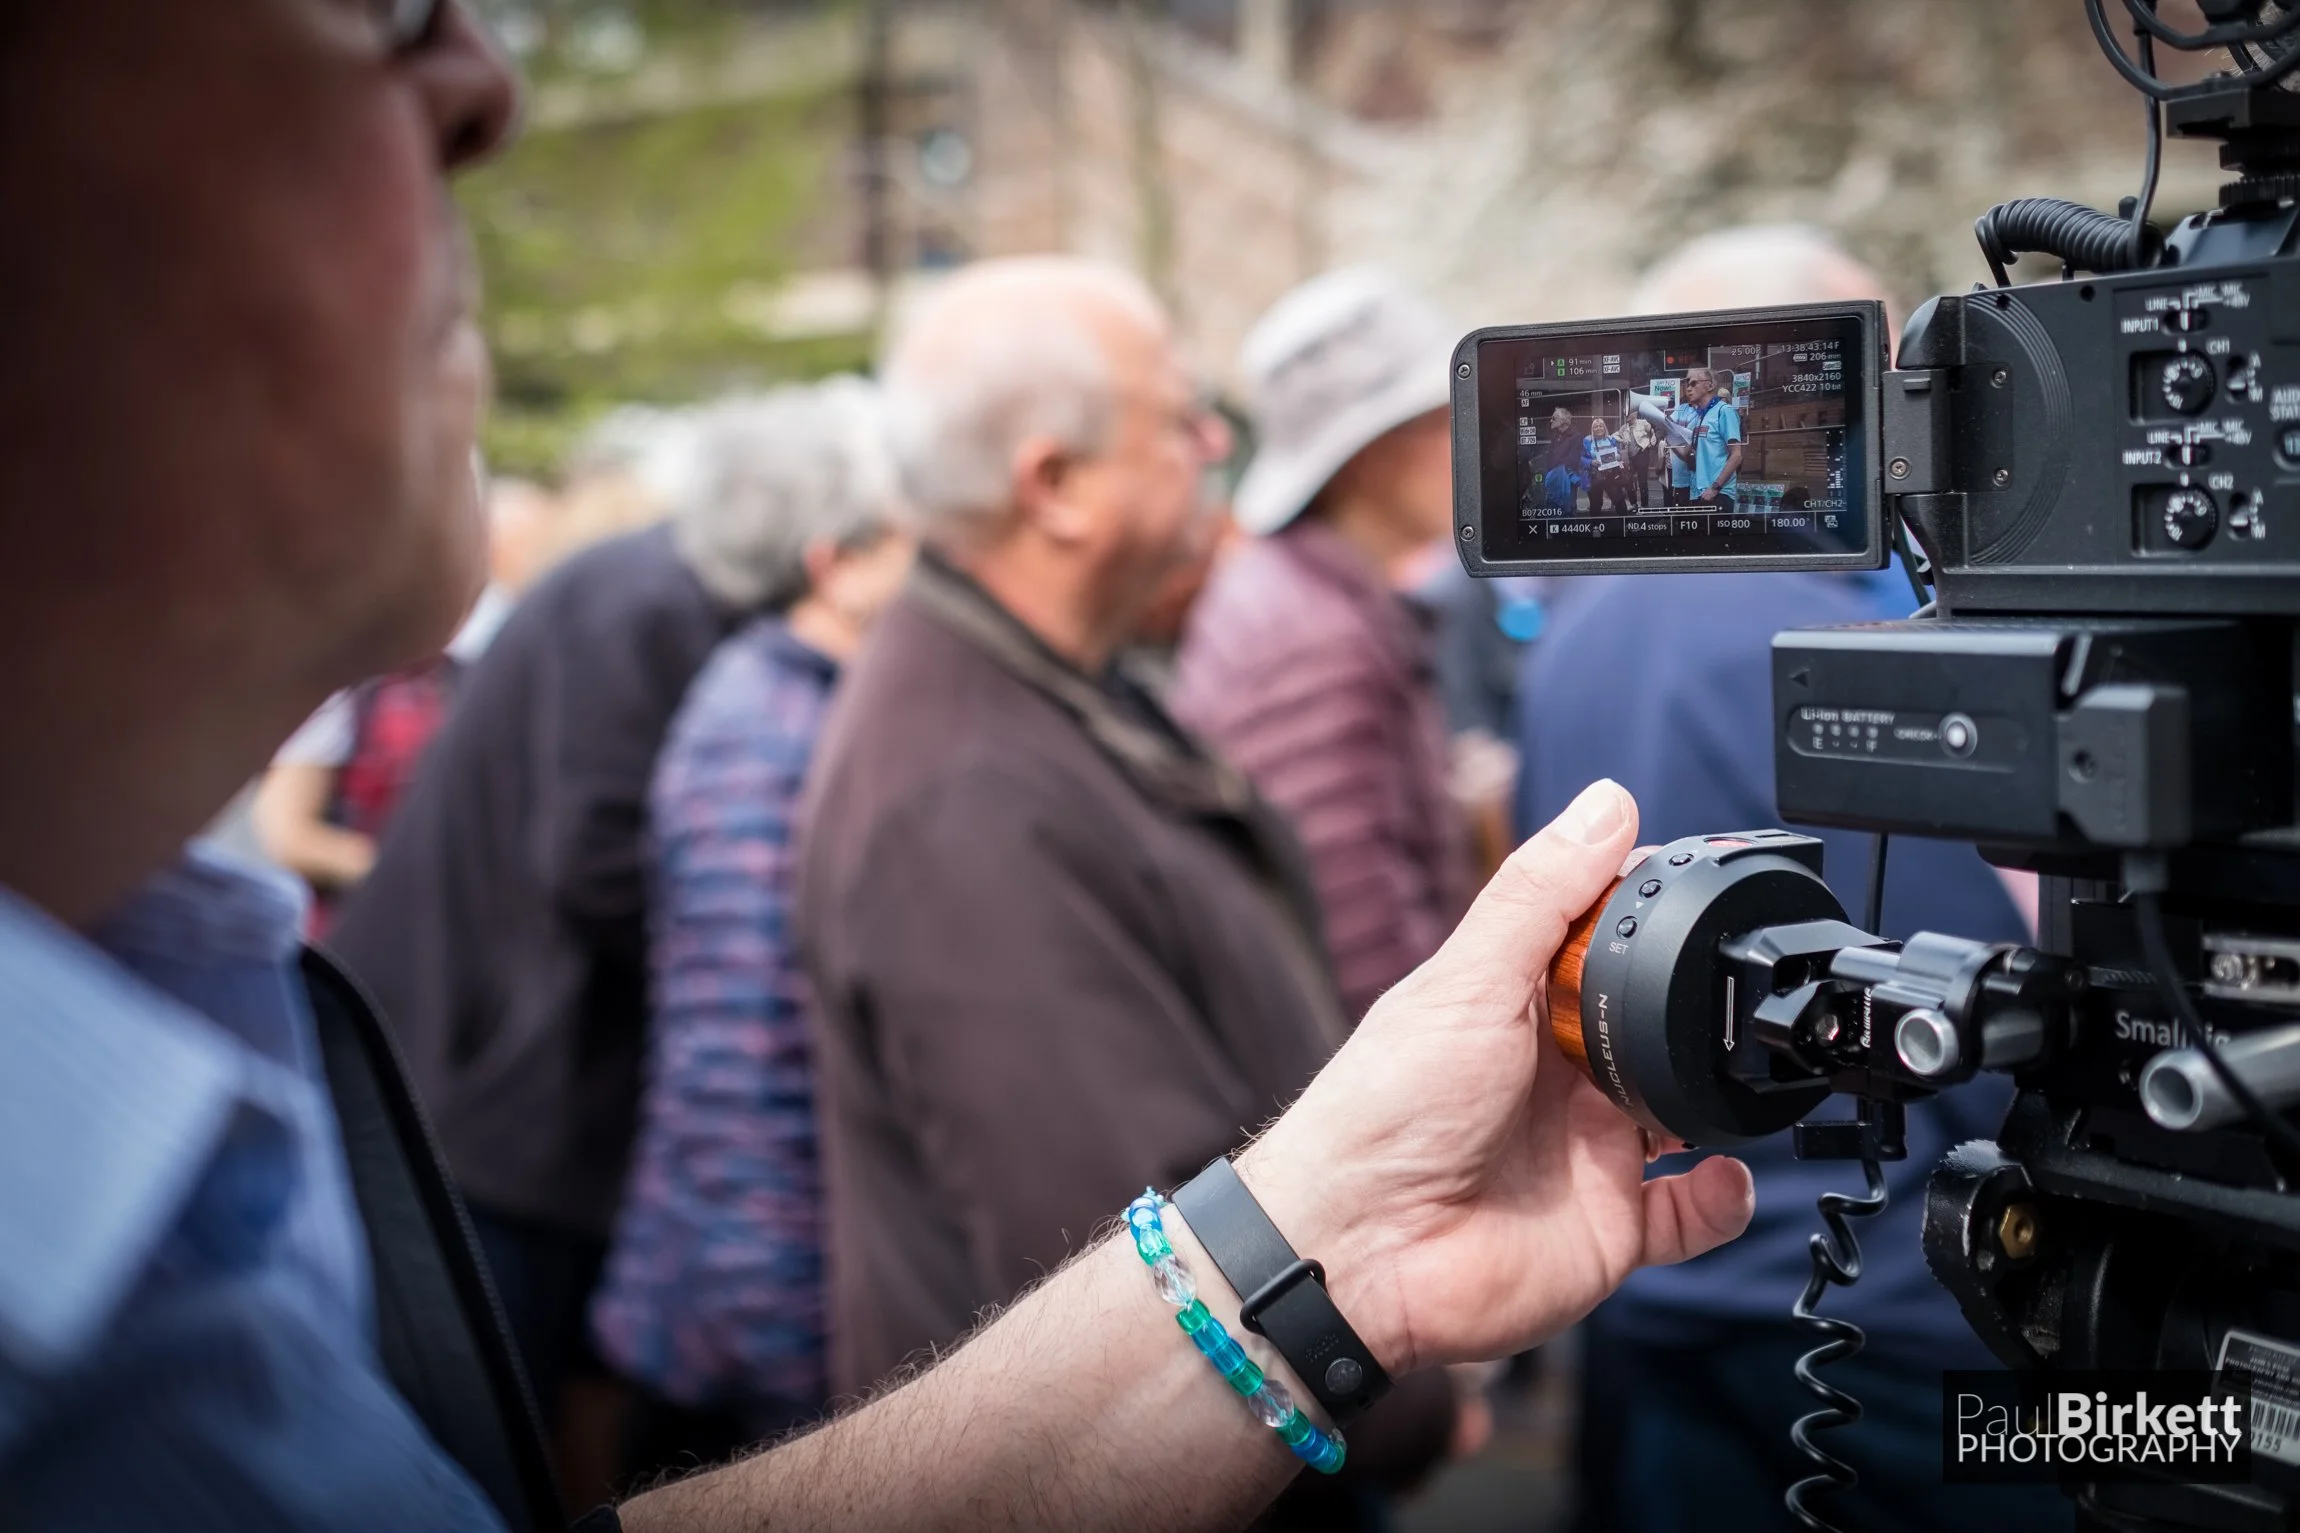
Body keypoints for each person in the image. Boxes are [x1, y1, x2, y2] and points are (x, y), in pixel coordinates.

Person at [0, 6, 1753, 1530]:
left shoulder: (162, 1063)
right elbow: (1057, 1170)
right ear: (1055, 484)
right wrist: (1357, 1346)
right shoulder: (952, 779)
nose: (483, 77)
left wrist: (1342, 1252)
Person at [795, 256, 1464, 1522]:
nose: (1215, 441)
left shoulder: (1036, 690)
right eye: (1177, 417)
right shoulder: (964, 799)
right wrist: (1402, 1396)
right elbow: (1131, 1259)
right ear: (1053, 486)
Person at [1512, 226, 2069, 1533]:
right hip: (1876, 1312)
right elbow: (1983, 1001)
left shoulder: (1566, 618)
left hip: (1645, 1268)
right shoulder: (1861, 636)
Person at [325, 394, 794, 1438]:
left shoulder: (648, 591)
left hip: (483, 1072)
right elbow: (594, 856)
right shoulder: (653, 606)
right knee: (486, 1406)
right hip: (487, 1088)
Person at [588, 380, 914, 1473]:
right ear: (838, 560)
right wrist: (810, 1374)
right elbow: (744, 1083)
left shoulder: (804, 703)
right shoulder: (767, 740)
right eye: (909, 525)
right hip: (755, 1335)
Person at [1170, 266, 1472, 1025]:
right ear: (1372, 451)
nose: (1471, 444)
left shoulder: (1314, 597)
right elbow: (1365, 957)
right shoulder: (1307, 638)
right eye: (1445, 420)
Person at [252, 469, 533, 931]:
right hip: (361, 943)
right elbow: (289, 834)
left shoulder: (493, 657)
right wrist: (411, 871)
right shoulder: (344, 677)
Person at [1676, 363, 1743, 512]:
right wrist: (1670, 439)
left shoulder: (1724, 411)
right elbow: (1688, 456)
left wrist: (1715, 487)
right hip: (1699, 494)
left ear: (1710, 386)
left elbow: (1737, 455)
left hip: (1718, 494)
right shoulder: (1700, 416)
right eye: (1686, 383)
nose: (1688, 388)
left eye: (1693, 383)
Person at [1580, 415, 1630, 513]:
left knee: (1619, 500)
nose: (1598, 428)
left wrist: (1618, 457)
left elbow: (1618, 454)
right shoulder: (1587, 441)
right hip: (1595, 476)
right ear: (1592, 429)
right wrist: (1590, 462)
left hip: (1612, 475)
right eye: (1596, 426)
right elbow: (1580, 458)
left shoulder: (1611, 439)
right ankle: (1596, 527)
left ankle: (1626, 525)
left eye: (1601, 426)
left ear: (1604, 427)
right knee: (1595, 503)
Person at [1539, 405, 1581, 510]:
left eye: (1554, 418)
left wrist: (1556, 465)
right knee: (1553, 507)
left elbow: (1573, 459)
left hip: (1568, 478)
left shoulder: (1576, 436)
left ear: (1562, 421)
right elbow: (1550, 454)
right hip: (1553, 477)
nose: (1550, 420)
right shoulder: (1555, 435)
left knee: (1568, 509)